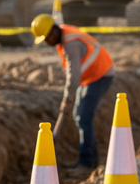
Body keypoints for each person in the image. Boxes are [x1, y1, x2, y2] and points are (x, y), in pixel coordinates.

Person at [31, 13, 114, 172]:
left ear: (53, 32)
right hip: (90, 76)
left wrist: (68, 97)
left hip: (101, 74)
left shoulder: (70, 44)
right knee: (79, 115)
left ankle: (87, 163)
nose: (47, 43)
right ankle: (90, 158)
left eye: (47, 39)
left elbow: (73, 75)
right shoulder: (63, 35)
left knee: (83, 116)